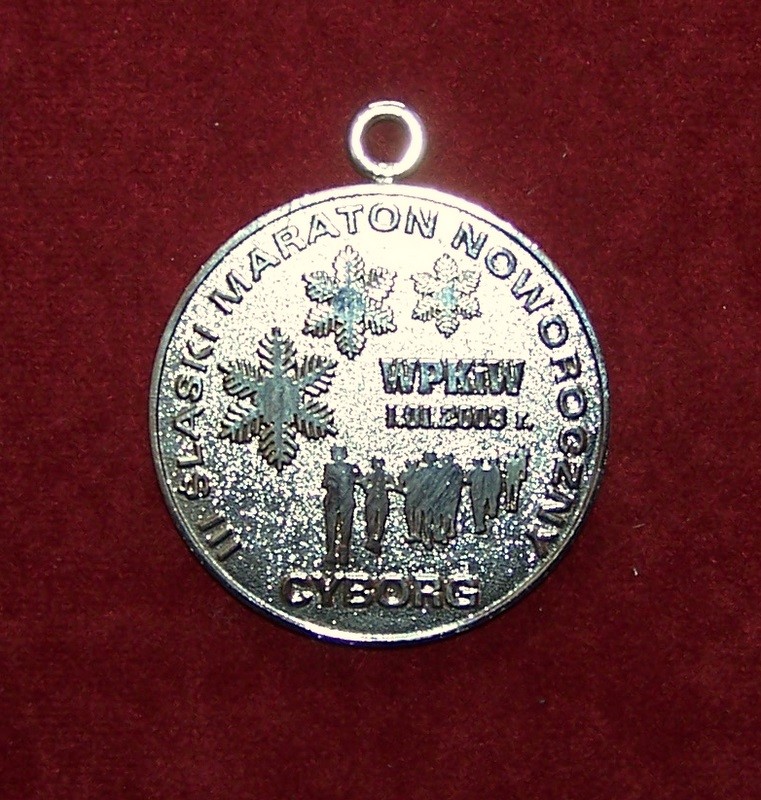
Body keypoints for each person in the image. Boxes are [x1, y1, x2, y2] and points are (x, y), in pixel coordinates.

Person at [322, 445, 361, 567]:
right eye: (335, 453)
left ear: (344, 455)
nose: (337, 456)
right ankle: (331, 551)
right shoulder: (329, 468)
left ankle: (344, 552)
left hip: (346, 501)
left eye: (340, 453)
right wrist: (331, 483)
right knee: (331, 527)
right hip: (333, 500)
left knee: (346, 527)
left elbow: (359, 478)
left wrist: (357, 470)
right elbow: (325, 482)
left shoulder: (350, 468)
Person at [359, 457, 397, 555]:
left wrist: (387, 486)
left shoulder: (386, 476)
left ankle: (377, 540)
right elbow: (363, 481)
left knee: (380, 521)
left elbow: (394, 485)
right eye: (376, 463)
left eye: (379, 463)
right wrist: (368, 486)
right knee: (371, 519)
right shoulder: (370, 475)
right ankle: (371, 538)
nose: (377, 465)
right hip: (371, 500)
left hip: (382, 501)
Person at [465, 457, 502, 533]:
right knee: (480, 508)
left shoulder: (493, 471)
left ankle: (481, 524)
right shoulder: (493, 471)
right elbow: (467, 480)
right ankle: (480, 525)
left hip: (483, 493)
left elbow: (467, 480)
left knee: (481, 508)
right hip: (479, 493)